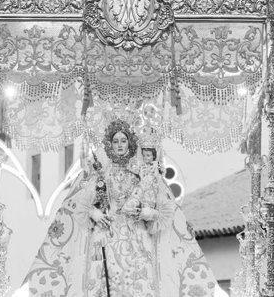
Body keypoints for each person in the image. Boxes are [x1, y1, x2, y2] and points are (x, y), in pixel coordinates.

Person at [21, 119, 218, 296]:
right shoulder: (101, 173)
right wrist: (95, 213)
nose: (119, 145)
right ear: (109, 145)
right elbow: (83, 205)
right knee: (105, 284)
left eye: (123, 140)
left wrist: (149, 213)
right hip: (107, 236)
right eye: (115, 141)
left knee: (141, 284)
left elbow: (164, 210)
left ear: (130, 143)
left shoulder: (143, 173)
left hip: (138, 239)